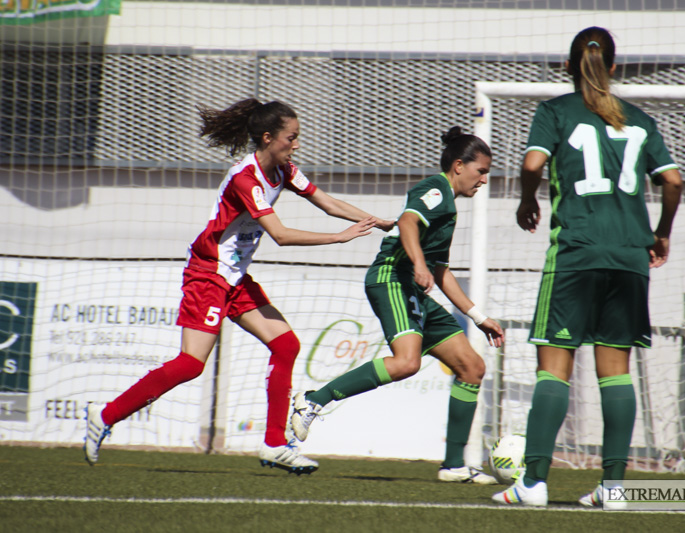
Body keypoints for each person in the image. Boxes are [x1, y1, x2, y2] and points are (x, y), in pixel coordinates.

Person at [84, 99, 393, 474]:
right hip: (209, 274)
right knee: (190, 365)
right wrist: (337, 239)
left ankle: (275, 445)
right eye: (291, 138)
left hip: (234, 278)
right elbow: (278, 234)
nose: (296, 145)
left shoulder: (285, 171)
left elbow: (327, 203)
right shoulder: (246, 178)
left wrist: (377, 221)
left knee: (286, 344)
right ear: (268, 137)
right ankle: (104, 415)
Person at [492, 27, 682, 507]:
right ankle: (614, 488)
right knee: (615, 370)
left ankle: (533, 483)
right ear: (613, 68)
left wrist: (526, 200)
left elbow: (533, 163)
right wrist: (661, 233)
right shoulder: (638, 119)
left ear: (568, 66)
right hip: (629, 257)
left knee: (554, 367)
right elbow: (674, 181)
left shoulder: (555, 111)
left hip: (577, 252)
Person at [290, 126, 505, 483]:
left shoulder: (448, 206)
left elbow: (442, 271)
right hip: (390, 277)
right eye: (481, 171)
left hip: (411, 286)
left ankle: (453, 466)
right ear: (458, 165)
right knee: (407, 362)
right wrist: (418, 265)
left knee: (471, 366)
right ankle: (313, 400)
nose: (483, 179)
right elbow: (407, 221)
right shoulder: (436, 189)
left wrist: (478, 317)